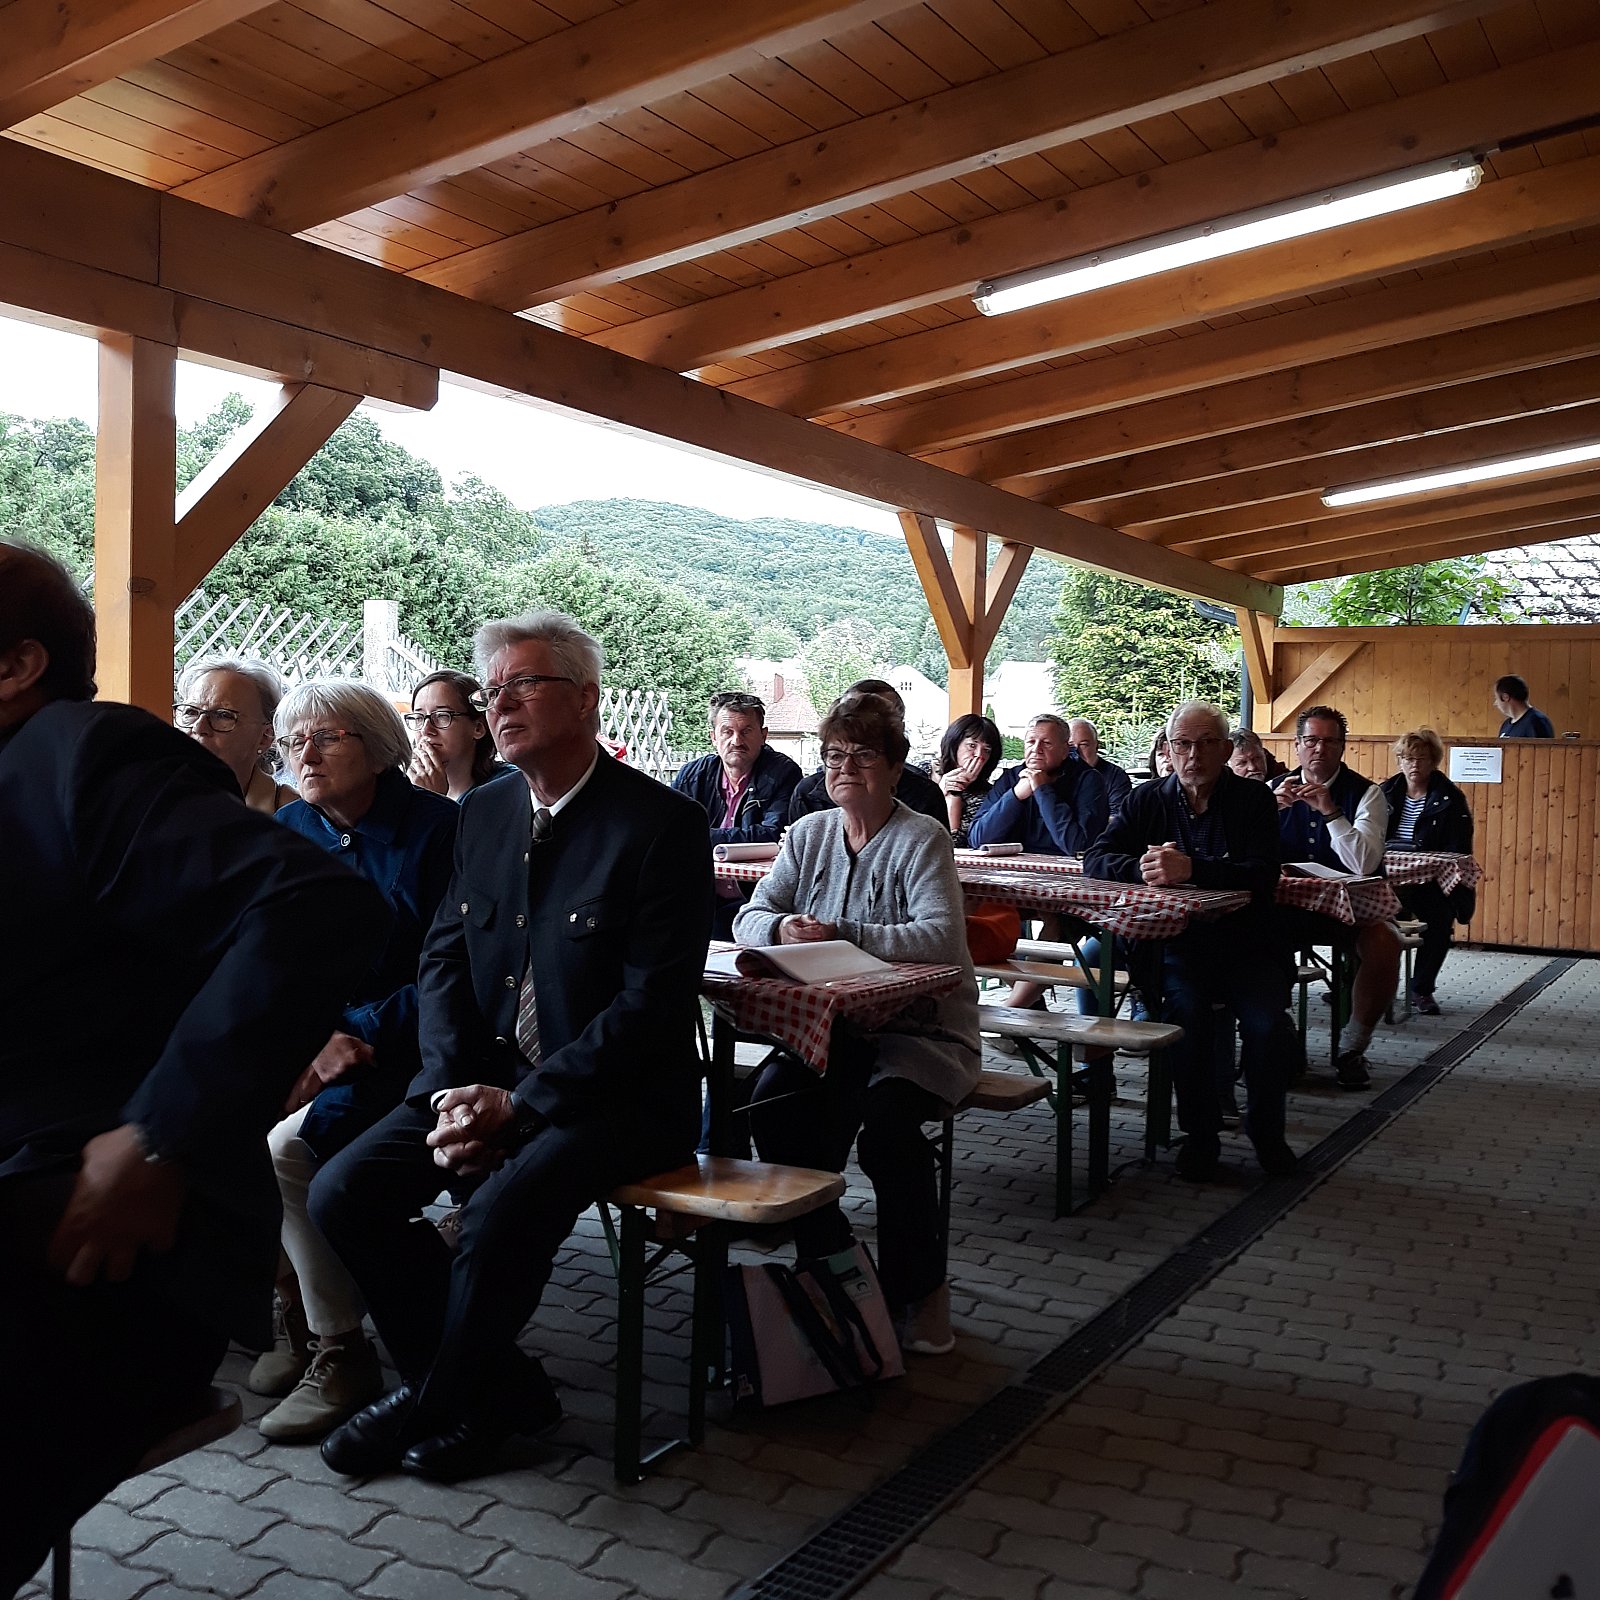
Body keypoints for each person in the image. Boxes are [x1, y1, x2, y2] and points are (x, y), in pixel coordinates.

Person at [0, 542, 386, 1591]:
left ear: (16, 665)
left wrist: (161, 1135)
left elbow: (314, 907)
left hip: (100, 1221)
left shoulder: (81, 754)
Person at [309, 611, 712, 1485]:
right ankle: (495, 1390)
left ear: (587, 700)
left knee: (498, 1214)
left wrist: (520, 1105)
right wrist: (451, 1089)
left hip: (617, 1100)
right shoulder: (485, 811)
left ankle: (437, 1403)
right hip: (485, 1080)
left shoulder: (662, 824)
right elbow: (445, 957)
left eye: (525, 684)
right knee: (343, 1191)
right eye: (492, 691)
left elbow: (650, 1006)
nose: (500, 704)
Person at [734, 693, 980, 1355]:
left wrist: (842, 932)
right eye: (834, 755)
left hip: (921, 1033)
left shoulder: (922, 837)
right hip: (834, 1031)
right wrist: (783, 927)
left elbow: (939, 936)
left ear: (895, 767)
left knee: (888, 1129)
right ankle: (832, 1256)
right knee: (771, 1103)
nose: (844, 767)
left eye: (863, 755)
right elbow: (748, 917)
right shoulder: (809, 833)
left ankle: (919, 1292)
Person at [252, 680, 459, 1442]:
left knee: (287, 1150)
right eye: (292, 740)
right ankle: (297, 1316)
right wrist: (306, 1041)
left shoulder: (437, 831)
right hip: (316, 1042)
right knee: (216, 1121)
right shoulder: (293, 827)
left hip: (410, 1048)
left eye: (326, 737)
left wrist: (355, 1032)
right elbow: (272, 956)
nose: (304, 754)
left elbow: (453, 970)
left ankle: (341, 1350)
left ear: (377, 748)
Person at [1086, 702, 1294, 1181]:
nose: (1193, 755)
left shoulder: (1254, 799)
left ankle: (1267, 1133)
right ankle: (1200, 1137)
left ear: (1225, 749)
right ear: (1168, 748)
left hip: (1247, 946)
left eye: (1205, 744)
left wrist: (1193, 869)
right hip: (1178, 947)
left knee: (1268, 1029)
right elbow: (1096, 858)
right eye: (1182, 744)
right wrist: (1144, 867)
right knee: (1187, 1019)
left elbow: (1264, 874)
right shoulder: (1147, 799)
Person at [1271, 704, 1401, 1089]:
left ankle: (1352, 1047)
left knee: (1386, 944)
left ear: (1342, 747)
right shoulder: (1271, 791)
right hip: (1284, 908)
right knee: (1246, 939)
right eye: (1311, 740)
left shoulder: (1367, 794)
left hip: (1349, 910)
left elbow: (1364, 863)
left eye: (1329, 741)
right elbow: (1242, 854)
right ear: (1297, 746)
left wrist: (1331, 812)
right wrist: (1269, 810)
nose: (1319, 749)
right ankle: (1276, 1037)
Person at [673, 690, 803, 936]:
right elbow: (669, 832)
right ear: (713, 737)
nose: (736, 741)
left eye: (746, 731)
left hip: (756, 900)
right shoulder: (693, 775)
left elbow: (773, 835)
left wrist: (699, 836)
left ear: (763, 735)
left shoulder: (782, 773)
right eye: (727, 732)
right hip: (698, 894)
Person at [1381, 727, 1475, 1016]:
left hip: (1429, 881)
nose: (1414, 765)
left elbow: (1459, 848)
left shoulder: (1450, 798)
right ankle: (1361, 987)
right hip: (1387, 879)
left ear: (1433, 761)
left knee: (1439, 921)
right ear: (1399, 761)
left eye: (1421, 758)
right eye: (1408, 758)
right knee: (1366, 920)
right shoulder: (1384, 792)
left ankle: (1421, 989)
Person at [789, 678, 945, 825]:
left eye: (864, 755)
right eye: (836, 756)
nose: (847, 768)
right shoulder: (807, 798)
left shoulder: (924, 798)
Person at [968, 712, 1110, 855]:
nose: (1036, 749)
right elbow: (978, 840)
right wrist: (1015, 796)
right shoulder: (1011, 778)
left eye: (1046, 743)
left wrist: (1043, 791)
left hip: (1065, 866)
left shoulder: (1088, 780)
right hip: (1011, 867)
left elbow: (1079, 847)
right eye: (1031, 742)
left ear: (1064, 751)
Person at [174, 654, 295, 812]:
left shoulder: (293, 816)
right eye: (190, 712)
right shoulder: (151, 797)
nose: (198, 727)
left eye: (223, 715)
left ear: (265, 737)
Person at [406, 669, 499, 799]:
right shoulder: (404, 786)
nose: (425, 730)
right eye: (419, 717)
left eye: (442, 716)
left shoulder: (505, 790)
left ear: (478, 728)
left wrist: (431, 800)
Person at [923, 712, 1003, 845]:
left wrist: (954, 794)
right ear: (955, 743)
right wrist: (939, 792)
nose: (979, 755)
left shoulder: (985, 797)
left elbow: (953, 844)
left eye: (986, 750)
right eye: (972, 745)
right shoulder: (922, 772)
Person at [1068, 717, 1132, 818]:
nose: (1076, 751)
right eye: (1070, 745)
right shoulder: (1058, 775)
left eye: (1084, 745)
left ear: (1096, 746)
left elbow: (1118, 818)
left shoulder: (1115, 776)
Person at [1493, 674, 1555, 739]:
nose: (1495, 703)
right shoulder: (1505, 726)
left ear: (1505, 697)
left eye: (1496, 698)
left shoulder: (1537, 722)